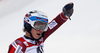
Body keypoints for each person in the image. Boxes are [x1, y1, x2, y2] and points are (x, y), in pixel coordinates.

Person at [8, 2, 74, 53]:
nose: (41, 30)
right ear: (28, 26)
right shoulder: (19, 45)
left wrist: (65, 14)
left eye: (43, 27)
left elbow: (56, 23)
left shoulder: (40, 38)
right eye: (37, 26)